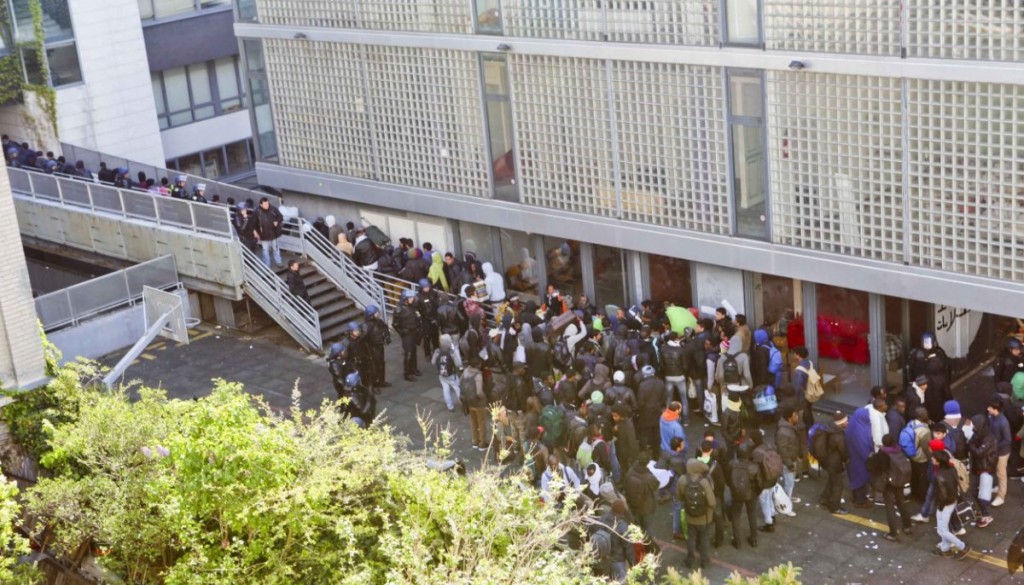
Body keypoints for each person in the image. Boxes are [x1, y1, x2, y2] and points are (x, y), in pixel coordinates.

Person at [868, 434, 914, 542]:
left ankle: (893, 533)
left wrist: (870, 458)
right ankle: (907, 526)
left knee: (890, 507)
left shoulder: (882, 453)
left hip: (888, 483)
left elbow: (871, 466)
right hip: (899, 481)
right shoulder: (899, 450)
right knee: (901, 502)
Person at [932, 450, 971, 558]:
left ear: (938, 461)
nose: (932, 459)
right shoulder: (952, 469)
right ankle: (945, 549)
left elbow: (943, 496)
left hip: (945, 505)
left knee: (942, 530)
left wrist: (940, 507)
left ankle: (962, 547)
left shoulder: (939, 476)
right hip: (953, 501)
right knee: (943, 527)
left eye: (933, 458)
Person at [680, 456, 716, 570]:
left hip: (690, 516)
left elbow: (679, 496)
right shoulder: (704, 482)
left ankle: (690, 560)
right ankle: (704, 561)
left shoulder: (682, 480)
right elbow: (712, 502)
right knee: (704, 539)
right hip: (705, 518)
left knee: (691, 538)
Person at [729, 441, 760, 549]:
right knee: (752, 515)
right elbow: (759, 482)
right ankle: (754, 539)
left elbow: (728, 478)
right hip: (751, 493)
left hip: (737, 493)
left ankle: (737, 541)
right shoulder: (754, 467)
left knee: (736, 516)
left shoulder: (732, 464)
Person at [623, 450, 660, 541]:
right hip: (647, 507)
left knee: (638, 528)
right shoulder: (648, 477)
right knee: (648, 528)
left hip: (633, 505)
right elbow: (657, 484)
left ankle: (640, 547)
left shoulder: (630, 472)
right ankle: (651, 548)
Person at [821, 411, 850, 515]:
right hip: (835, 462)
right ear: (841, 423)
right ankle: (835, 507)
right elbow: (843, 452)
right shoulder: (839, 436)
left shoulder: (830, 428)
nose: (848, 423)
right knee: (838, 485)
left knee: (831, 480)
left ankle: (824, 498)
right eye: (846, 421)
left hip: (827, 460)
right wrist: (846, 459)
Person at [775, 405, 803, 505]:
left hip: (791, 459)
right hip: (788, 462)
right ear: (789, 418)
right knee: (789, 483)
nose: (797, 417)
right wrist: (789, 464)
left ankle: (788, 498)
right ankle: (785, 503)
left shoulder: (790, 427)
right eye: (795, 415)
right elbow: (782, 450)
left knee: (790, 482)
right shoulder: (783, 432)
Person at [393, 290, 422, 382]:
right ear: (405, 299)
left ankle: (414, 368)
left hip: (414, 332)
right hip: (407, 334)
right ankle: (407, 373)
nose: (412, 299)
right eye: (410, 298)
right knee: (408, 353)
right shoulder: (399, 310)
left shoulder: (413, 306)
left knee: (414, 351)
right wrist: (402, 332)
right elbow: (395, 324)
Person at [461, 358, 490, 451]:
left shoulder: (465, 371)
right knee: (481, 423)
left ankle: (475, 441)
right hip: (478, 403)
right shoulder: (478, 375)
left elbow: (460, 383)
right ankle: (482, 443)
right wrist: (485, 399)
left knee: (473, 422)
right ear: (478, 364)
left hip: (469, 402)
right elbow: (479, 392)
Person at [987, 398, 1011, 507]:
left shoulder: (1003, 422)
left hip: (1002, 453)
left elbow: (1007, 440)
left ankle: (1001, 496)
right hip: (996, 450)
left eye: (990, 408)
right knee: (997, 470)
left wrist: (995, 447)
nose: (988, 409)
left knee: (1001, 474)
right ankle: (998, 488)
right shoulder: (992, 417)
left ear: (995, 409)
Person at [433, 333, 463, 413]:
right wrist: (456, 351)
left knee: (445, 390)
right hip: (451, 375)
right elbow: (458, 364)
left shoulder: (437, 351)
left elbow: (433, 362)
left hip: (441, 375)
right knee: (457, 388)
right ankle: (462, 403)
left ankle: (450, 406)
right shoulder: (452, 352)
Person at [363, 305, 391, 389]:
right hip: (372, 349)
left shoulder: (379, 321)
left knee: (381, 364)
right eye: (376, 313)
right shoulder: (366, 326)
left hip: (379, 346)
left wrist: (387, 337)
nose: (378, 314)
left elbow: (385, 328)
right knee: (373, 367)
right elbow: (363, 339)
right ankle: (374, 384)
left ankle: (381, 381)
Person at [254, 197, 284, 268]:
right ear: (261, 204)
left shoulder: (273, 209)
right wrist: (255, 232)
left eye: (267, 203)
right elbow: (254, 223)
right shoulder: (257, 212)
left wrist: (277, 221)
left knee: (276, 248)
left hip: (274, 232)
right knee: (265, 250)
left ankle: (278, 262)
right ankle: (267, 264)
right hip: (263, 234)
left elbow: (280, 217)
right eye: (265, 204)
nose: (267, 205)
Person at [416, 278, 441, 359]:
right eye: (425, 287)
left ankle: (436, 350)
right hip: (426, 320)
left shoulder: (433, 293)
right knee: (427, 337)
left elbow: (437, 303)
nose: (427, 288)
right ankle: (427, 354)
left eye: (428, 287)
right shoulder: (418, 297)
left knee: (435, 336)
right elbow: (417, 309)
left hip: (435, 318)